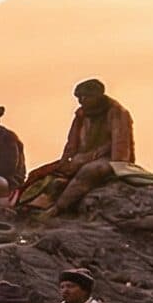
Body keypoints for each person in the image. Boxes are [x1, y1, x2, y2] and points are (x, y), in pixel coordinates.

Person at [18, 79, 136, 216]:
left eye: (86, 97)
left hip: (108, 160)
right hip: (81, 157)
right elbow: (71, 143)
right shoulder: (81, 114)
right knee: (42, 173)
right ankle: (30, 204)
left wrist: (89, 158)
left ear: (98, 96)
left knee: (88, 171)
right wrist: (65, 161)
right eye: (79, 97)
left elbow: (120, 145)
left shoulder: (116, 112)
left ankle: (57, 208)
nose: (82, 100)